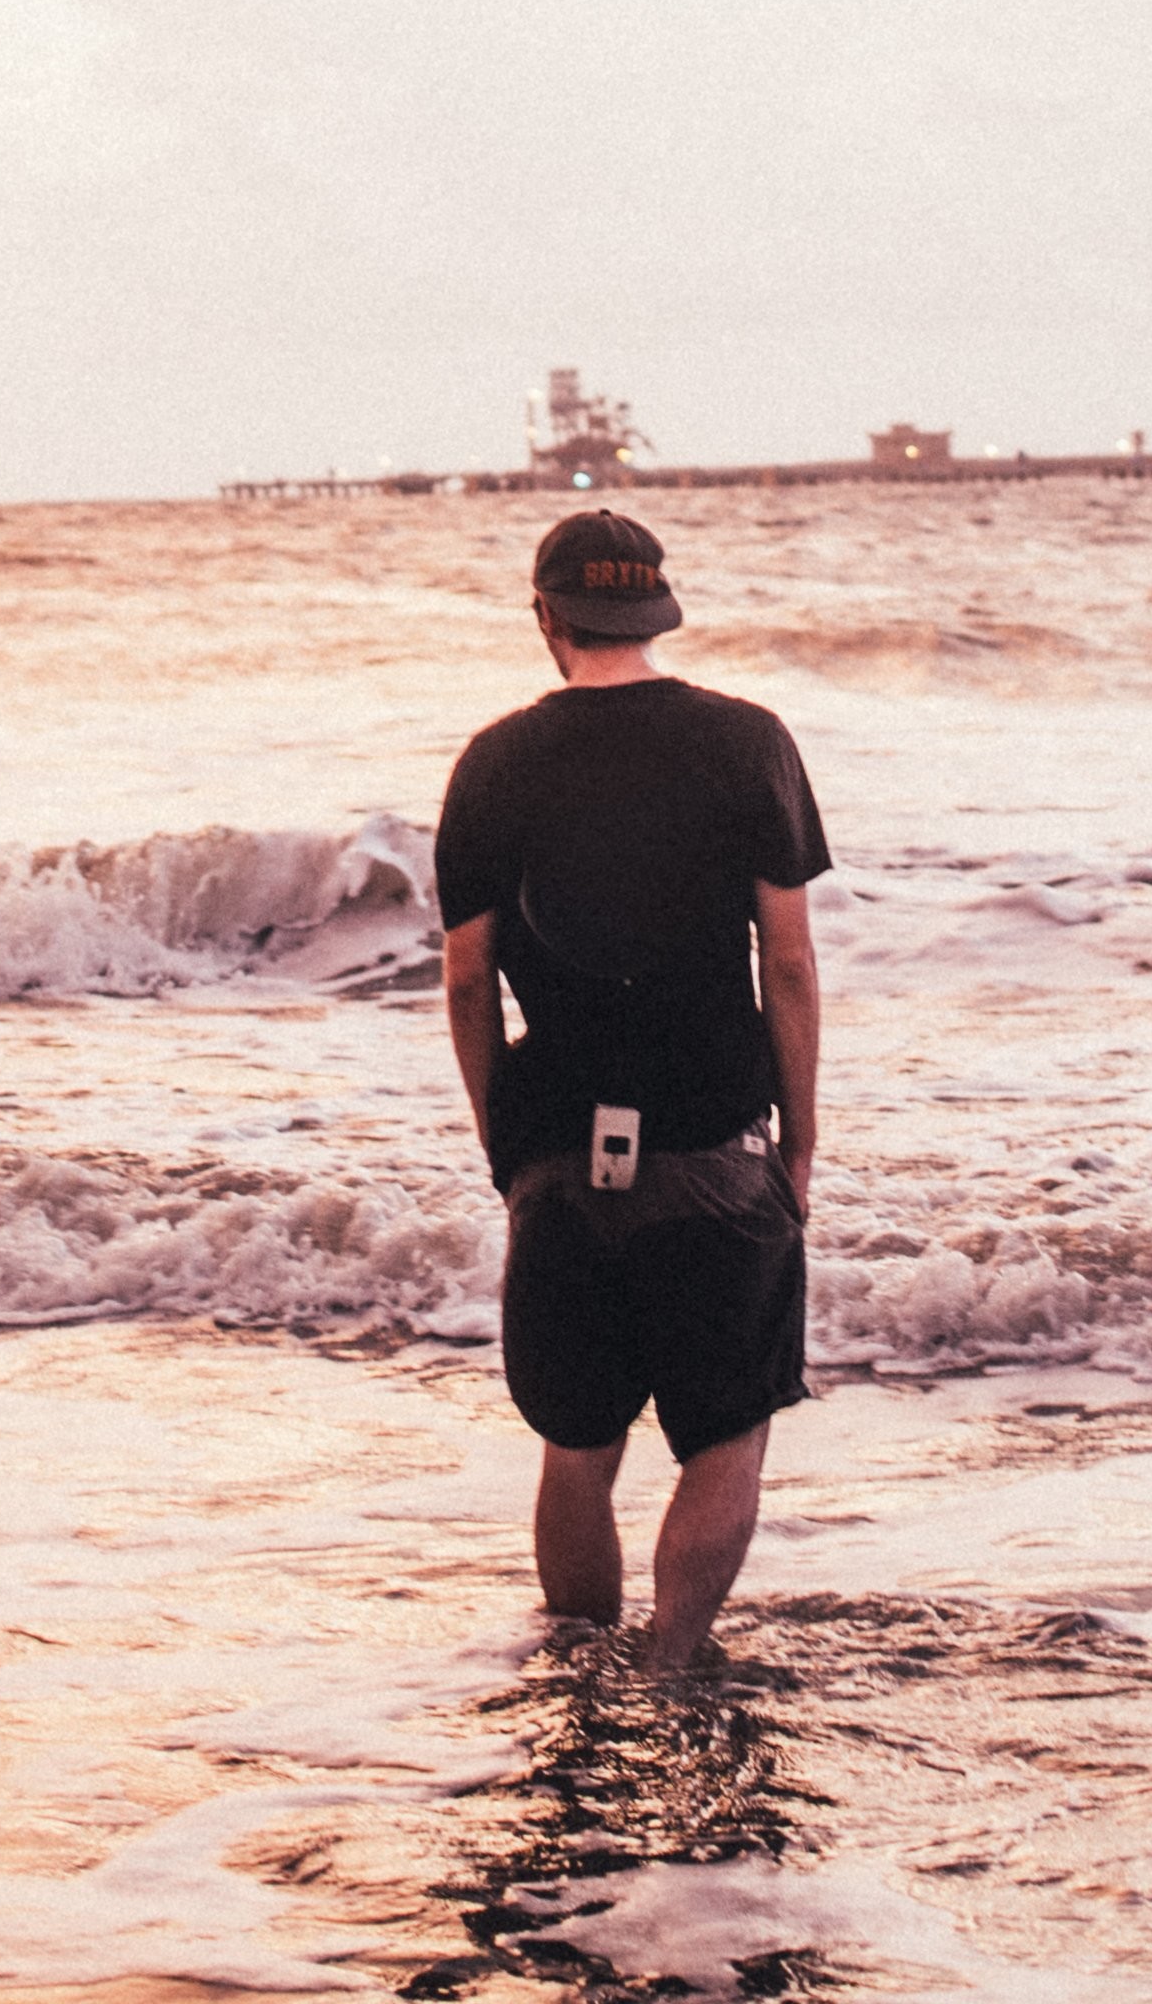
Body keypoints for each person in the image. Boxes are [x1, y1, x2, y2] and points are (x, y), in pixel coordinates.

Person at [434, 507, 828, 1671]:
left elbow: (465, 982)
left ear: (545, 616)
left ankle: (581, 1677)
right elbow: (791, 962)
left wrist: (502, 1138)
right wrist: (800, 1142)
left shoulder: (493, 760)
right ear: (657, 608)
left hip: (557, 1153)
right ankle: (672, 1665)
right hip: (710, 1142)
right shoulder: (747, 741)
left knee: (576, 1444)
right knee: (726, 1439)